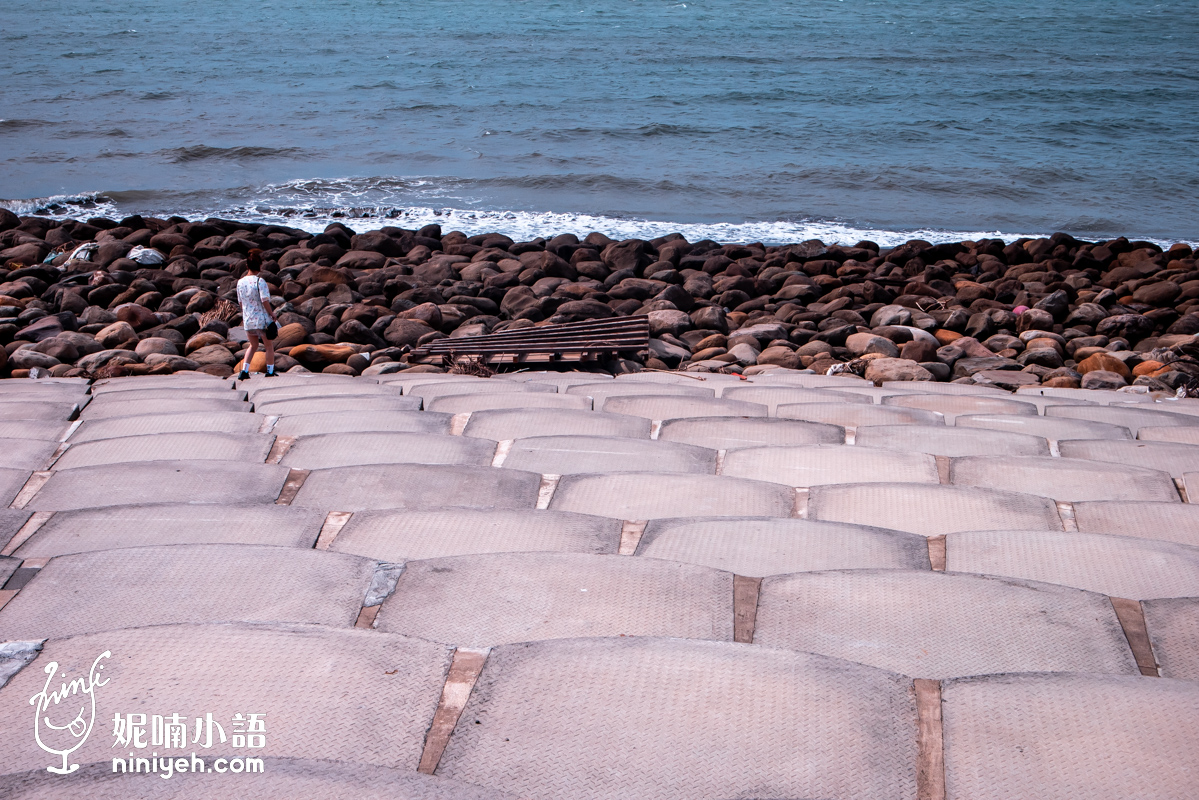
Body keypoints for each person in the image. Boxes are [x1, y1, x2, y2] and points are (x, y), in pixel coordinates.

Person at [235, 249, 279, 379]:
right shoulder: (260, 282)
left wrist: (246, 313)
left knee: (252, 346)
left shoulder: (240, 282)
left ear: (247, 266)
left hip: (248, 319)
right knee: (269, 346)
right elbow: (264, 300)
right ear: (259, 266)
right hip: (262, 320)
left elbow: (241, 302)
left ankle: (244, 371)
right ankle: (270, 371)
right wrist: (272, 313)